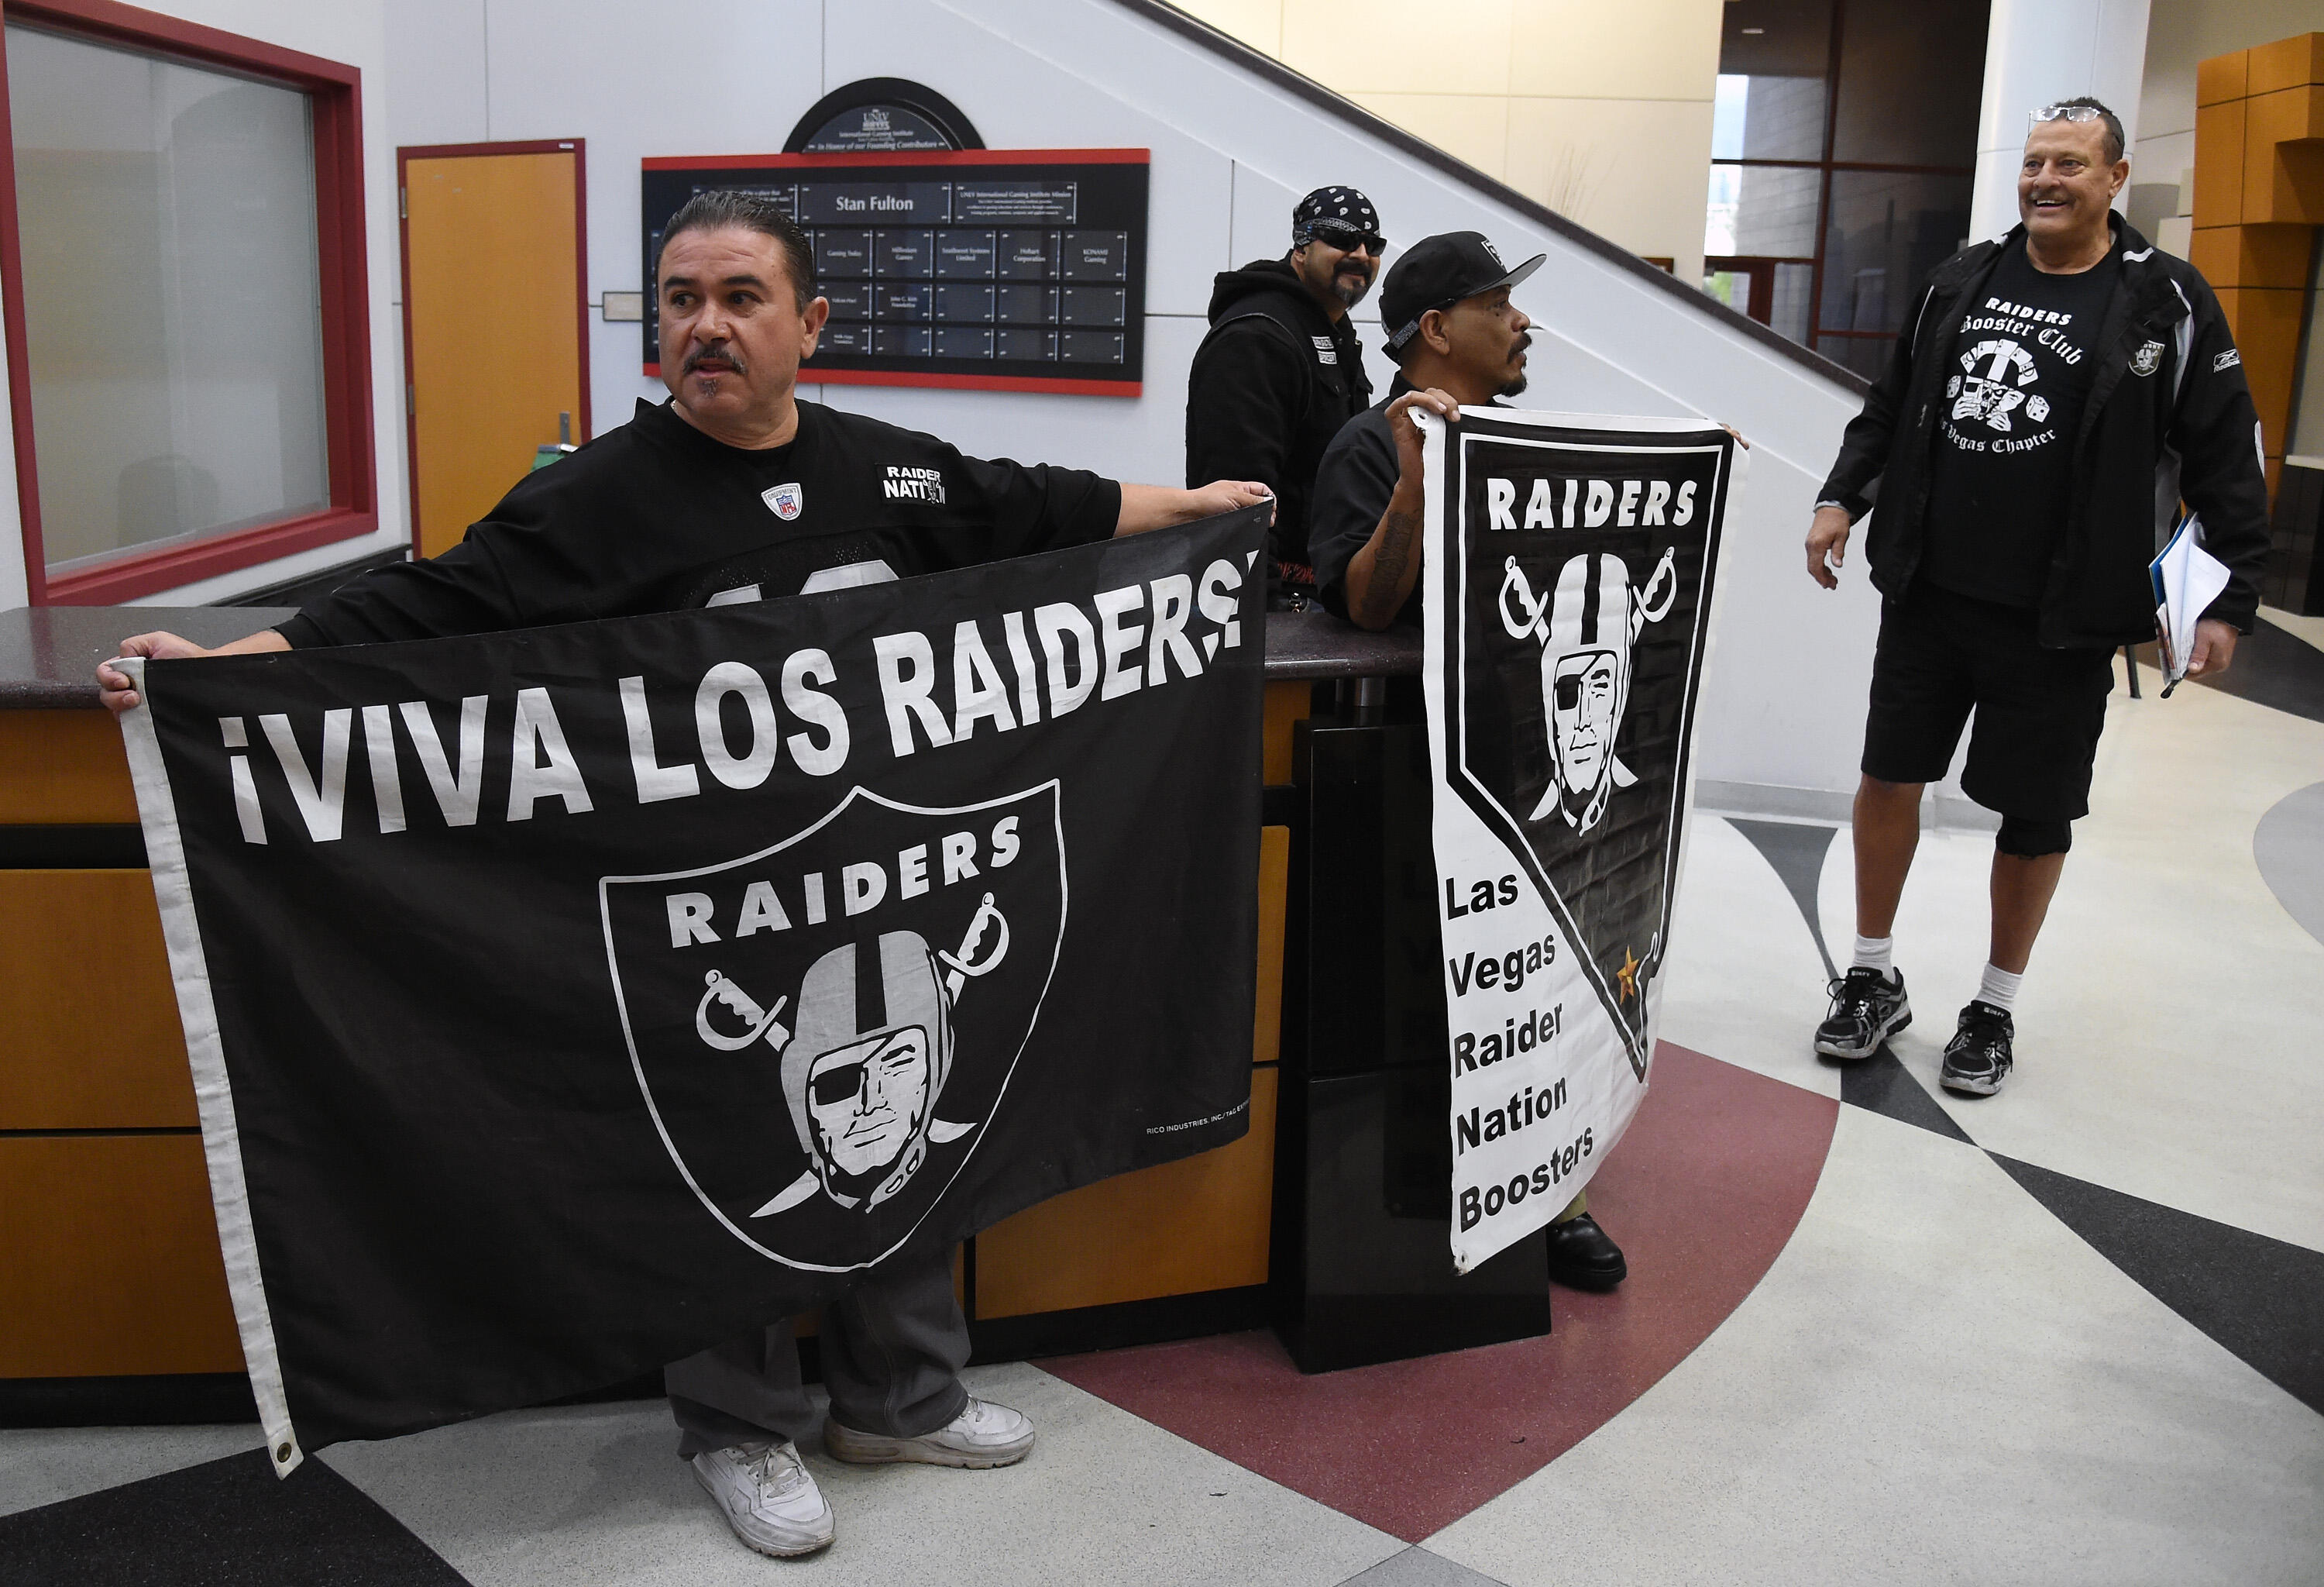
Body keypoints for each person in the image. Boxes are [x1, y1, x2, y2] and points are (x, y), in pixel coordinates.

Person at [98, 189, 1269, 1561]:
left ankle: (900, 1394)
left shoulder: (887, 468)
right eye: (679, 299)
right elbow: (416, 611)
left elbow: (1040, 508)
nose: (704, 326)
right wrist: (224, 675)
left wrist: (1194, 508)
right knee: (731, 1151)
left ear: (810, 322)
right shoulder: (596, 494)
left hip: (886, 890)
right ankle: (739, 1426)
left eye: (739, 298)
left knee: (910, 1123)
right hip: (717, 920)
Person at [1805, 98, 2271, 1097]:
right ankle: (1872, 972)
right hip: (1929, 592)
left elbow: (2228, 456)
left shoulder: (2166, 301)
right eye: (2033, 163)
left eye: (2069, 163)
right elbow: (1891, 405)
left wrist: (2228, 601)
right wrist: (1843, 493)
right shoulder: (1962, 278)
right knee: (1889, 779)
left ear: (2113, 179)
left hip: (2065, 620)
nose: (2045, 180)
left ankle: (1994, 1004)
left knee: (2033, 814)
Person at [1305, 230, 1629, 1291]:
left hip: (1526, 771)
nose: (1523, 322)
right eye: (1501, 305)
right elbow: (1366, 601)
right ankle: (1453, 1186)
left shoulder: (1518, 440)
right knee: (1442, 996)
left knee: (1541, 990)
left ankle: (1557, 1188)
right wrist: (1412, 479)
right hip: (1419, 771)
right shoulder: (1367, 441)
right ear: (1438, 330)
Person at [1185, 185, 1381, 604]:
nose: (1362, 254)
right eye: (1343, 239)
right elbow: (1238, 496)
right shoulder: (1257, 338)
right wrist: (1262, 613)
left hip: (1323, 595)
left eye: (1373, 243)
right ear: (1301, 247)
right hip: (1279, 602)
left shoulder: (1333, 331)